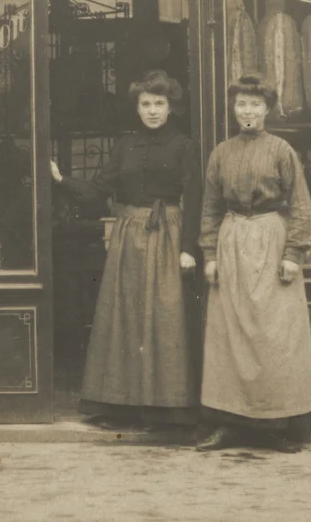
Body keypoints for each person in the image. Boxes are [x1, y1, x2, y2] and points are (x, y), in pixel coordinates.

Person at [51, 70, 202, 431]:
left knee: (166, 317)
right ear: (137, 108)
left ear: (171, 108)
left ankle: (167, 408)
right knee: (126, 317)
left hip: (169, 235)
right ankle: (122, 405)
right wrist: (61, 181)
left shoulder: (185, 146)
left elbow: (194, 200)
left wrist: (188, 249)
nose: (152, 111)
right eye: (146, 104)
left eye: (159, 104)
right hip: (129, 239)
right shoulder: (124, 146)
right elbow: (98, 189)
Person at [197, 73, 311, 453]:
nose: (247, 110)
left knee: (275, 336)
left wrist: (293, 254)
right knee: (230, 335)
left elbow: (300, 203)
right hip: (232, 240)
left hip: (272, 240)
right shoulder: (221, 152)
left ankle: (278, 427)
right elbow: (211, 207)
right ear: (233, 109)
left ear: (267, 108)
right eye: (241, 104)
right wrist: (210, 254)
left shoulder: (282, 150)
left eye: (254, 104)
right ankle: (228, 425)